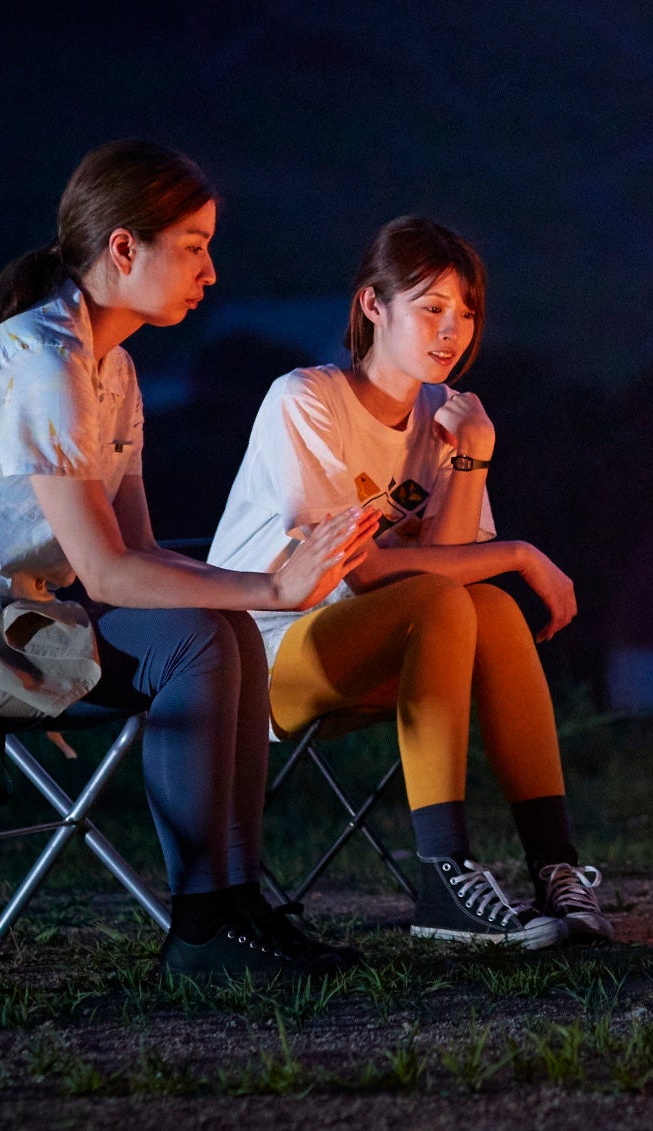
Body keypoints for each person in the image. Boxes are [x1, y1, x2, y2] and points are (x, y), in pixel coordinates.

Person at [0, 139, 375, 984]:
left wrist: (260, 590)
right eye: (192, 246)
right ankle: (203, 928)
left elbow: (138, 552)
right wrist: (272, 584)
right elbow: (108, 575)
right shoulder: (44, 362)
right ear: (124, 247)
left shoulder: (109, 368)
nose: (211, 272)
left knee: (223, 627)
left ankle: (235, 905)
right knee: (199, 638)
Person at [209, 216, 609, 948]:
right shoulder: (306, 400)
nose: (452, 330)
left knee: (482, 603)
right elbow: (362, 573)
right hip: (267, 653)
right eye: (431, 307)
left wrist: (472, 458)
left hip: (401, 647)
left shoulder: (447, 417)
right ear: (372, 306)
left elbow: (449, 564)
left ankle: (557, 871)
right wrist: (520, 550)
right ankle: (444, 876)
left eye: (466, 312)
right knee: (455, 591)